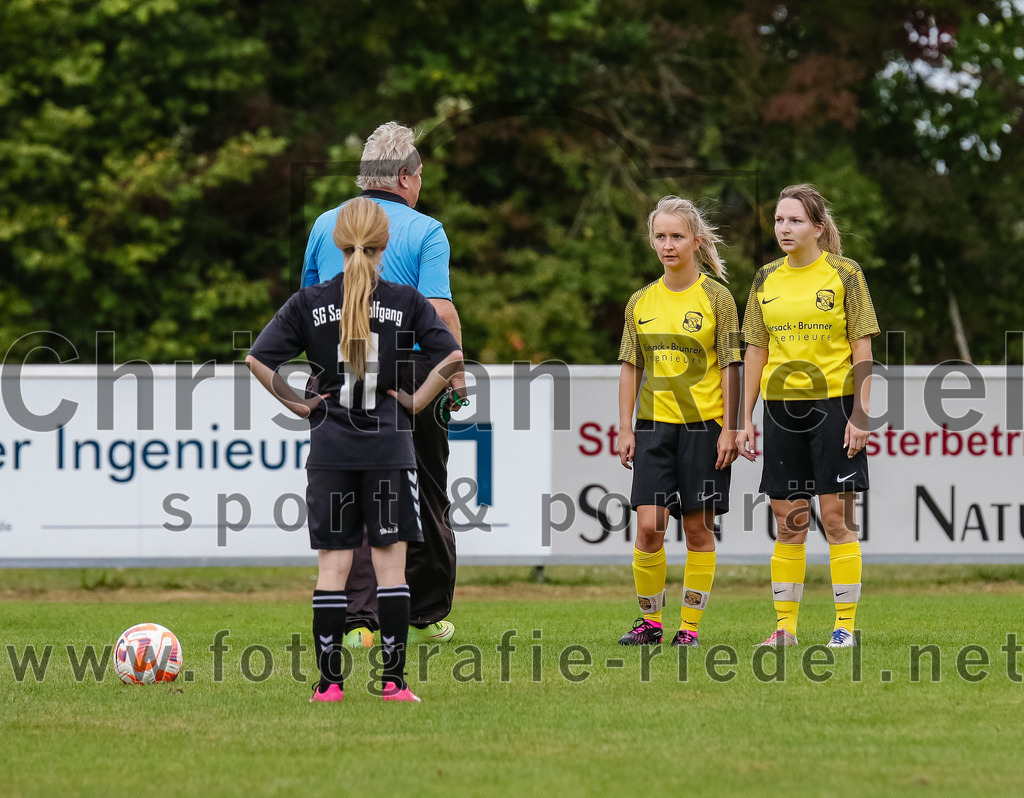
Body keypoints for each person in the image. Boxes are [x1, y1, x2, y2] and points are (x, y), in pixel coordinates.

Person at [247, 198, 463, 702]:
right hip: (389, 447)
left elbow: (258, 360)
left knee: (333, 569)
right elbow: (451, 354)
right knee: (391, 568)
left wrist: (301, 405)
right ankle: (393, 684)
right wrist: (414, 401)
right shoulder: (405, 300)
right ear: (385, 243)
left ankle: (329, 686)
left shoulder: (309, 302)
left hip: (331, 448)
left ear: (336, 243)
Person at [301, 121, 466, 648]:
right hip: (411, 366)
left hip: (339, 366)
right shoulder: (425, 229)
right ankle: (424, 612)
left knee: (349, 494)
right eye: (419, 174)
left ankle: (355, 622)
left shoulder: (328, 223)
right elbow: (438, 309)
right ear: (403, 177)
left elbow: (311, 304)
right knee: (424, 489)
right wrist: (455, 372)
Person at [736, 184, 878, 648]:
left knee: (837, 519)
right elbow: (755, 351)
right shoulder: (764, 279)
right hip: (781, 411)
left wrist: (860, 413)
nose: (784, 228)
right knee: (789, 522)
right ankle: (785, 630)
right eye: (779, 220)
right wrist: (744, 417)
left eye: (795, 220)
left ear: (818, 227)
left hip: (834, 406)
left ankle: (844, 628)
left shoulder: (845, 273)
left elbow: (862, 347)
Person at [615, 196, 741, 647]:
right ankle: (650, 622)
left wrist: (732, 426)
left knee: (696, 528)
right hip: (653, 427)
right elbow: (631, 365)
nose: (668, 245)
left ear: (696, 241)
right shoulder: (640, 301)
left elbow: (731, 364)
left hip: (704, 428)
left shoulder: (717, 297)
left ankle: (689, 628)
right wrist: (625, 427)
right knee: (649, 526)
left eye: (677, 237)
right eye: (661, 236)